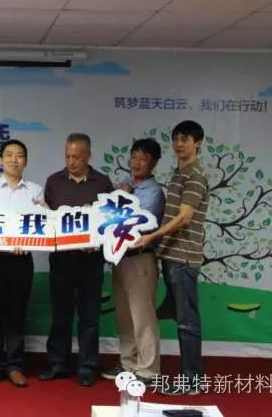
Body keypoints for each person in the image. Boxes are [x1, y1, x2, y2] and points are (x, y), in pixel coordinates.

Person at [135, 120, 209, 395]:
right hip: (170, 256)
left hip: (183, 259)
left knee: (187, 322)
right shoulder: (179, 173)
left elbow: (185, 217)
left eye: (186, 139)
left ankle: (192, 382)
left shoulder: (194, 176)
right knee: (179, 316)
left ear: (198, 143)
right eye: (176, 139)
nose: (179, 144)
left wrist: (152, 237)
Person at [39, 133, 113, 387]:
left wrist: (97, 242)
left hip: (91, 261)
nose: (71, 162)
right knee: (61, 314)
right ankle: (57, 363)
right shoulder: (54, 181)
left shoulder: (102, 183)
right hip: (62, 259)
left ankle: (87, 366)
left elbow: (110, 222)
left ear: (88, 156)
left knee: (89, 316)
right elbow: (48, 220)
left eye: (77, 157)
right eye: (68, 156)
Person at [0, 139, 43, 388]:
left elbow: (41, 225)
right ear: (0, 160)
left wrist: (43, 217)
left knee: (17, 312)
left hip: (21, 260)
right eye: (9, 155)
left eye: (19, 155)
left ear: (26, 161)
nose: (14, 160)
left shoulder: (35, 191)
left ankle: (14, 365)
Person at [101, 138, 165, 385]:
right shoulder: (126, 184)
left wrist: (123, 199)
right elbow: (105, 218)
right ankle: (128, 363)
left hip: (140, 259)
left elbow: (136, 223)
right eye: (134, 157)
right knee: (125, 315)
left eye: (143, 159)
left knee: (142, 316)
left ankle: (148, 370)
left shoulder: (153, 192)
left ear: (154, 163)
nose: (137, 163)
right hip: (120, 258)